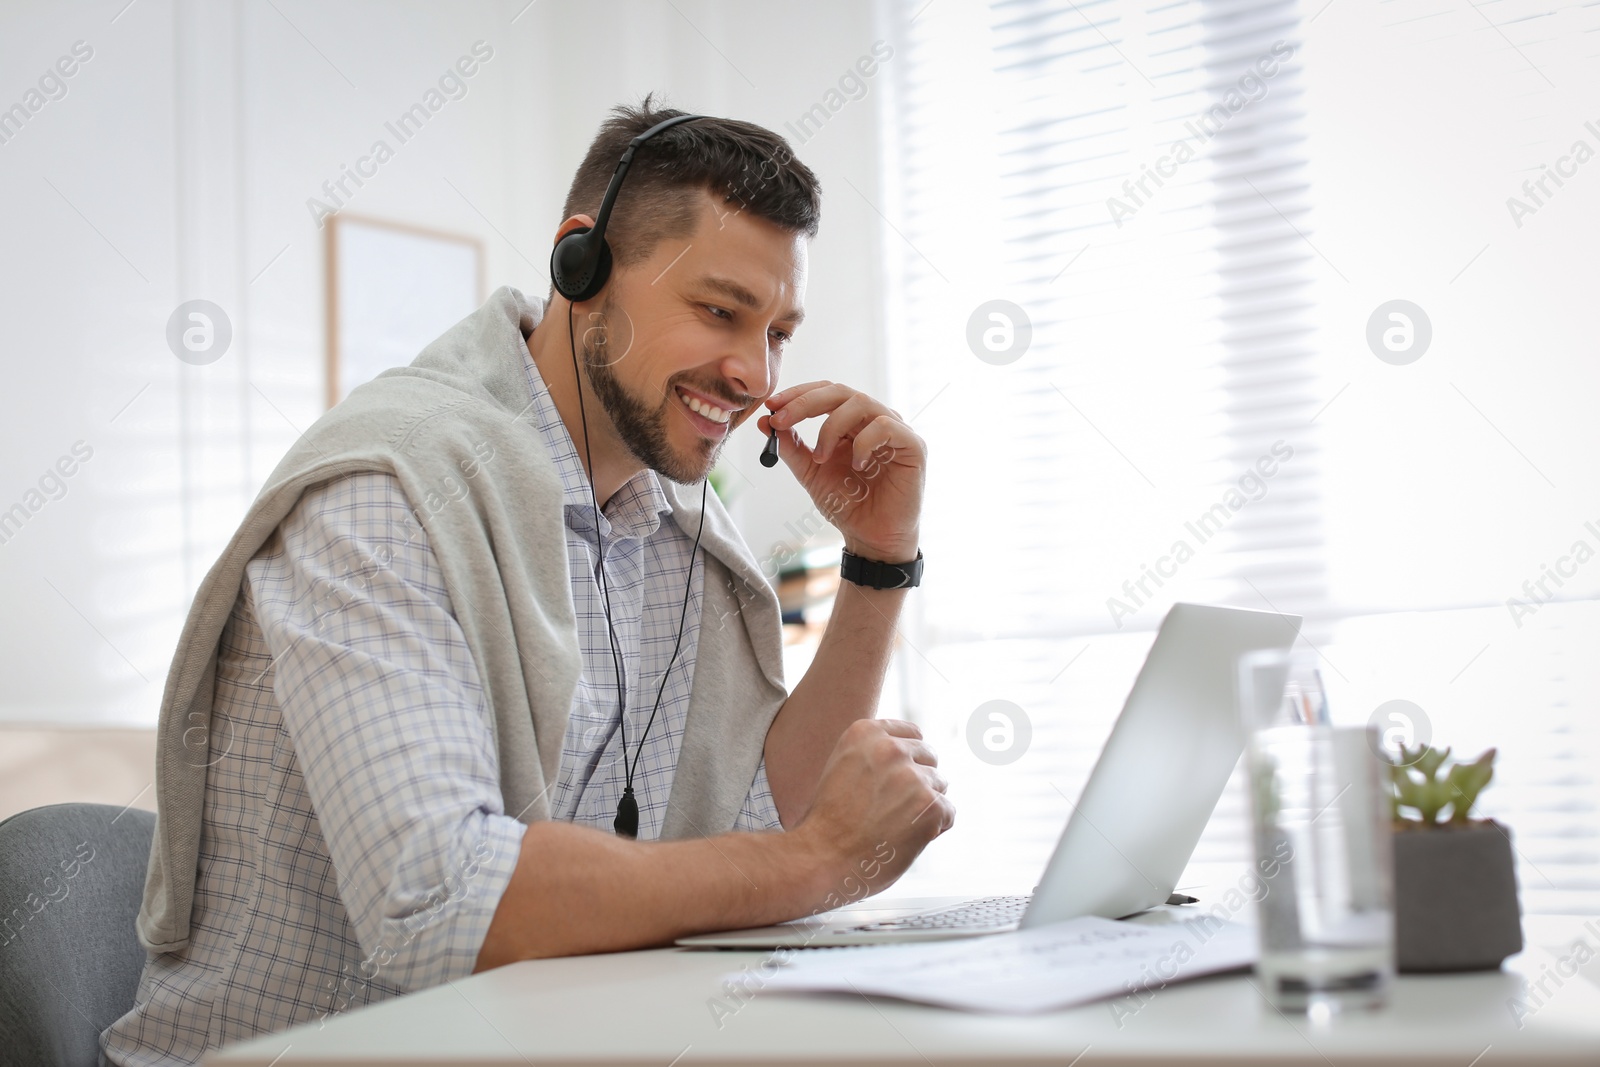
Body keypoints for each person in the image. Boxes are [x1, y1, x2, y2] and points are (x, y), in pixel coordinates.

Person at [103, 99, 952, 1065]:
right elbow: (442, 900)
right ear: (579, 267)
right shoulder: (386, 494)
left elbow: (756, 820)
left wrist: (879, 560)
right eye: (720, 311)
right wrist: (817, 863)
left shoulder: (677, 529)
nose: (755, 373)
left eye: (779, 332)